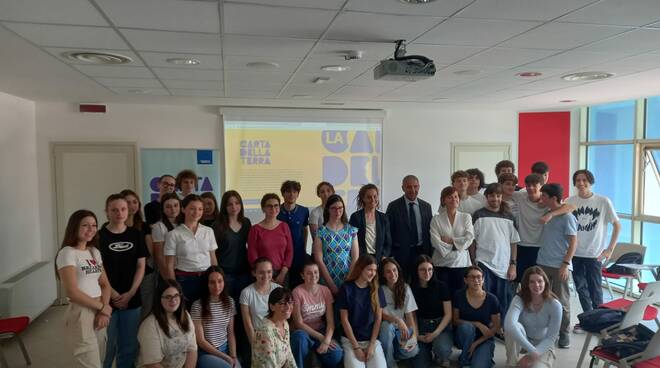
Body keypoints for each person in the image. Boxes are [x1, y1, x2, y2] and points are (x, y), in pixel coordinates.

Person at [56, 209, 112, 368]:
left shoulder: (94, 252)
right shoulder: (67, 253)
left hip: (100, 307)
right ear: (74, 227)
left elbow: (105, 284)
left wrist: (103, 308)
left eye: (94, 225)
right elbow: (72, 292)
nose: (91, 229)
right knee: (90, 362)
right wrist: (103, 307)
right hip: (81, 310)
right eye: (85, 225)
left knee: (100, 357)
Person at [566, 170, 620, 333]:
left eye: (584, 180)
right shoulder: (569, 201)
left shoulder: (603, 201)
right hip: (575, 253)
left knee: (595, 290)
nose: (581, 183)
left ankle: (601, 321)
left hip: (594, 254)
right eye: (578, 180)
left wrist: (609, 249)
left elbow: (617, 225)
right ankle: (588, 320)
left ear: (591, 182)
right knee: (581, 289)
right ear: (574, 183)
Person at [99, 193, 148, 368]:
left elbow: (141, 266)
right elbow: (98, 268)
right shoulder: (99, 237)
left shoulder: (136, 235)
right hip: (105, 300)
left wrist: (131, 293)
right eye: (114, 209)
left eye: (123, 209)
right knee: (107, 345)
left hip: (131, 299)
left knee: (129, 345)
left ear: (128, 211)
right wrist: (113, 293)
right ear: (106, 212)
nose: (119, 213)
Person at [212, 190, 252, 367]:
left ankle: (243, 354)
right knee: (228, 317)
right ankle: (229, 355)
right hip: (225, 277)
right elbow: (213, 253)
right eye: (229, 204)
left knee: (244, 317)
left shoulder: (246, 223)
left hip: (243, 275)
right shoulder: (217, 225)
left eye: (237, 203)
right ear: (224, 206)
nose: (234, 207)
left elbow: (250, 248)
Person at [511, 174, 575, 284]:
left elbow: (571, 207)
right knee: (519, 281)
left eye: (534, 185)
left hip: (540, 249)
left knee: (538, 284)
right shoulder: (521, 197)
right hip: (522, 246)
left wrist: (551, 214)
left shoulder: (548, 202)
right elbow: (505, 192)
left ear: (541, 186)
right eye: (528, 185)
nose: (530, 188)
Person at [536, 183, 577, 349]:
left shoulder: (567, 217)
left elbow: (573, 242)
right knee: (541, 299)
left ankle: (564, 333)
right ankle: (541, 333)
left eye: (544, 196)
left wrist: (565, 264)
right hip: (542, 263)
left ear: (553, 198)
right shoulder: (548, 213)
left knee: (562, 301)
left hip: (559, 265)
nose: (541, 199)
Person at [472, 183, 520, 319]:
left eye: (498, 196)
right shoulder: (478, 215)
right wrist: (473, 261)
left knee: (502, 300)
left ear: (501, 197)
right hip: (483, 264)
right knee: (484, 298)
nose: (495, 199)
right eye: (492, 196)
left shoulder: (509, 217)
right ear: (486, 197)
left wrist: (513, 264)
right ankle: (486, 327)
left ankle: (501, 328)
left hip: (503, 266)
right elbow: (472, 242)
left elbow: (514, 242)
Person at [164, 194, 218, 307]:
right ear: (183, 209)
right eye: (192, 208)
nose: (196, 212)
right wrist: (174, 287)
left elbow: (213, 258)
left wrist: (216, 279)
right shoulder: (173, 234)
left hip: (206, 279)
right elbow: (169, 265)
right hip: (184, 280)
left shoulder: (209, 231)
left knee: (206, 314)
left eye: (200, 209)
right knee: (186, 315)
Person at [504, 267, 561, 368]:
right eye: (532, 282)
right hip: (522, 339)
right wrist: (532, 350)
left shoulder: (554, 304)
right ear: (526, 284)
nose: (537, 285)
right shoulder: (519, 299)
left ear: (545, 282)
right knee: (513, 327)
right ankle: (511, 364)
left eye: (540, 281)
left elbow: (551, 338)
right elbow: (509, 325)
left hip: (544, 344)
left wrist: (533, 354)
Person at [336, 255, 387, 368]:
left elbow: (378, 319)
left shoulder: (377, 289)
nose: (372, 273)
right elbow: (344, 320)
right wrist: (356, 347)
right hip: (350, 341)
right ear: (360, 268)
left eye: (374, 270)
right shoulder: (346, 288)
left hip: (371, 340)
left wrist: (372, 345)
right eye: (369, 269)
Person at [291, 259, 343, 368]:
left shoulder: (325, 290)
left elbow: (330, 321)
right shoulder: (297, 292)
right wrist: (321, 338)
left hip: (321, 330)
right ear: (302, 275)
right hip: (303, 333)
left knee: (336, 354)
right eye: (309, 273)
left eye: (316, 272)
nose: (313, 275)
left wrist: (327, 340)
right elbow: (298, 323)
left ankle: (316, 358)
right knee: (299, 338)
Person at [137, 279, 197, 368]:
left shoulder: (185, 316)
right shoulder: (149, 325)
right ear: (159, 299)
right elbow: (152, 364)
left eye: (176, 295)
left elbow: (192, 350)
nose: (173, 300)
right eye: (168, 297)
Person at [386, 175, 433, 279]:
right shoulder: (393, 206)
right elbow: (388, 232)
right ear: (403, 188)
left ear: (419, 187)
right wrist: (391, 253)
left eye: (415, 186)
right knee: (404, 281)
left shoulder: (426, 206)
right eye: (409, 187)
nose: (413, 190)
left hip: (422, 251)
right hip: (401, 253)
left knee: (421, 282)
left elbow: (429, 231)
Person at [453, 266, 501, 368]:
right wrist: (477, 324)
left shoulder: (492, 299)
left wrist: (476, 343)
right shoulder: (458, 295)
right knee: (467, 327)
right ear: (465, 280)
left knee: (478, 365)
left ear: (483, 279)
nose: (476, 280)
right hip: (464, 336)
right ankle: (464, 359)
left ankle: (477, 354)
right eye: (472, 277)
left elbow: (496, 326)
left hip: (484, 338)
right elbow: (455, 320)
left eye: (479, 277)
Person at [410, 255, 453, 368]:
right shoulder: (411, 288)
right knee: (419, 364)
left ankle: (440, 353)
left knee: (442, 349)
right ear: (416, 271)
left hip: (440, 326)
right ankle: (428, 351)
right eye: (422, 270)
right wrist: (416, 335)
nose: (427, 273)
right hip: (421, 326)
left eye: (430, 269)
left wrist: (435, 334)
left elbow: (448, 314)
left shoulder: (441, 286)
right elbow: (412, 315)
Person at [430, 186, 475, 292]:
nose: (454, 199)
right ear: (443, 200)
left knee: (460, 295)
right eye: (450, 197)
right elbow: (435, 241)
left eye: (456, 196)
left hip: (461, 264)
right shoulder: (436, 219)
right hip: (441, 263)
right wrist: (459, 244)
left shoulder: (466, 217)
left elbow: (469, 238)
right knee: (443, 296)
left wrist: (451, 241)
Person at [191, 266, 238, 368]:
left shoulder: (230, 302)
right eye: (212, 282)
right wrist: (225, 358)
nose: (217, 286)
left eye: (220, 281)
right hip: (206, 353)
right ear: (206, 284)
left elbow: (231, 333)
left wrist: (233, 356)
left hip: (226, 349)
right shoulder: (197, 305)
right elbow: (201, 341)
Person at [313, 194, 359, 295]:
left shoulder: (351, 230)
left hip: (348, 277)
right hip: (327, 277)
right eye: (333, 208)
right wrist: (331, 284)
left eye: (340, 208)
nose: (337, 211)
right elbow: (318, 260)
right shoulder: (321, 231)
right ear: (328, 209)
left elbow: (355, 257)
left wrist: (348, 279)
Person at [378, 258, 420, 367]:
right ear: (383, 274)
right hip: (386, 328)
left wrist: (413, 336)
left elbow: (410, 315)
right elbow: (380, 314)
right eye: (388, 271)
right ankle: (391, 364)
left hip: (402, 330)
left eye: (394, 270)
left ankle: (391, 354)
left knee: (413, 351)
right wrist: (397, 320)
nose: (392, 274)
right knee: (386, 327)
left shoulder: (405, 288)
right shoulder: (380, 290)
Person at [121, 189, 155, 318]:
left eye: (135, 202)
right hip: (123, 274)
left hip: (145, 273)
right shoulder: (113, 226)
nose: (132, 205)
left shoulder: (144, 226)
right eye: (128, 202)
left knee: (145, 308)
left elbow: (150, 252)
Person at [248, 193, 293, 286]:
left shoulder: (284, 226)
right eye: (269, 206)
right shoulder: (255, 229)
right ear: (263, 209)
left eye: (276, 205)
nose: (273, 209)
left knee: (282, 300)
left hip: (282, 274)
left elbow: (289, 251)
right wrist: (266, 275)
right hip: (262, 275)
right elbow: (252, 255)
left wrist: (283, 273)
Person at [240, 258, 282, 349]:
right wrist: (255, 347)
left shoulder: (279, 289)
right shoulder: (246, 293)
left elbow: (283, 319)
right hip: (257, 337)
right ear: (254, 273)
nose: (266, 275)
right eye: (261, 272)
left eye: (269, 271)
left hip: (277, 335)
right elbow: (248, 325)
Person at [251, 287, 297, 368]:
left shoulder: (285, 324)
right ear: (272, 306)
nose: (288, 307)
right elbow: (269, 365)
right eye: (282, 303)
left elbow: (289, 355)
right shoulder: (265, 331)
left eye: (290, 302)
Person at [277, 180, 310, 288]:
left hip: (298, 253)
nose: (291, 194)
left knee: (298, 285)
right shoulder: (277, 211)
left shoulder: (304, 211)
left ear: (298, 194)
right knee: (283, 287)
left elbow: (305, 230)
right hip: (281, 256)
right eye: (288, 191)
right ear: (283, 194)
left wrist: (304, 248)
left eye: (294, 192)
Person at [349, 183, 392, 261]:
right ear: (363, 199)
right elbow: (351, 241)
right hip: (362, 259)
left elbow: (388, 243)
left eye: (375, 196)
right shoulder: (355, 217)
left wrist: (384, 256)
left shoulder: (383, 218)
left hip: (380, 259)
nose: (373, 200)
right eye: (369, 197)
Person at [151, 193, 181, 279]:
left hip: (185, 270)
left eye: (176, 205)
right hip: (170, 271)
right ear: (163, 209)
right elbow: (160, 257)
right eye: (168, 206)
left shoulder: (184, 224)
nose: (173, 209)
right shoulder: (159, 227)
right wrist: (169, 279)